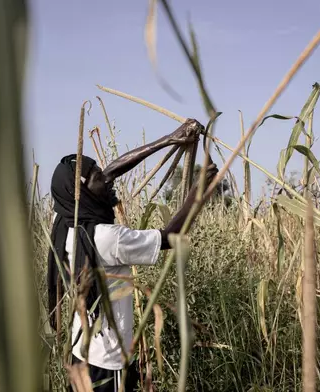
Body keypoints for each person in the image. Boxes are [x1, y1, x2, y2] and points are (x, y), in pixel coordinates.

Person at [47, 118, 219, 392]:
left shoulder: (65, 221)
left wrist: (169, 140)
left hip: (81, 349)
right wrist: (199, 191)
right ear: (82, 192)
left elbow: (111, 171)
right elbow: (170, 236)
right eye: (98, 177)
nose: (108, 179)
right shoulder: (106, 238)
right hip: (108, 360)